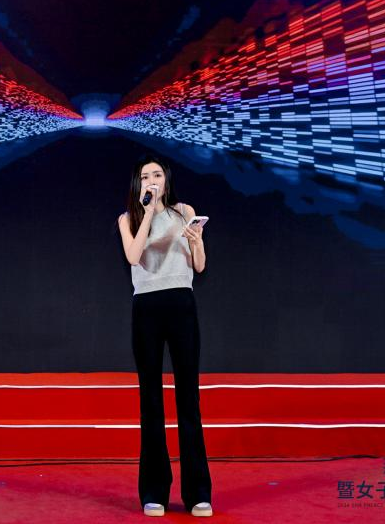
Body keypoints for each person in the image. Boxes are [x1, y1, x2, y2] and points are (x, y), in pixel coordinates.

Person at [117, 157, 213, 518]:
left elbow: (199, 265)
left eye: (157, 175)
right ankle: (154, 491)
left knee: (188, 399)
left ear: (166, 180)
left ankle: (197, 493)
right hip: (146, 307)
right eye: (145, 176)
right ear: (138, 183)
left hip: (181, 303)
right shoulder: (128, 218)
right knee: (151, 401)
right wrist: (147, 212)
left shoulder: (184, 211)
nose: (152, 180)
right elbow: (133, 255)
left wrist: (197, 241)